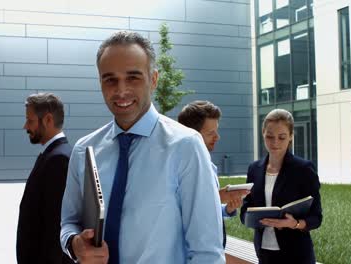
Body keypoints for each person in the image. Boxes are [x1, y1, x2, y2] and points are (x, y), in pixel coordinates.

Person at [60, 31, 224, 264]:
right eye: (110, 79)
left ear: (154, 79)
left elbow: (206, 252)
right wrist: (73, 243)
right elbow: (68, 222)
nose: (121, 90)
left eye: (133, 77)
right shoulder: (84, 149)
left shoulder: (186, 146)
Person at [240, 109, 322, 264]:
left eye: (282, 137)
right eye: (270, 136)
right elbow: (246, 209)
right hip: (264, 253)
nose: (275, 142)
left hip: (296, 254)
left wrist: (295, 224)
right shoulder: (254, 169)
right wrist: (247, 217)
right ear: (263, 133)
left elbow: (316, 217)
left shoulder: (303, 169)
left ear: (291, 136)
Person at [178, 100, 249, 248]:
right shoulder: (176, 168)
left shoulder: (209, 166)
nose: (217, 137)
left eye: (216, 131)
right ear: (192, 135)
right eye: (211, 133)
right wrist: (219, 196)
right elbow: (178, 210)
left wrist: (227, 208)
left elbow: (207, 211)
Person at [16, 93, 73, 264]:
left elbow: (55, 228)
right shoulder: (54, 154)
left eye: (30, 120)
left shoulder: (58, 159)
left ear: (48, 120)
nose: (25, 126)